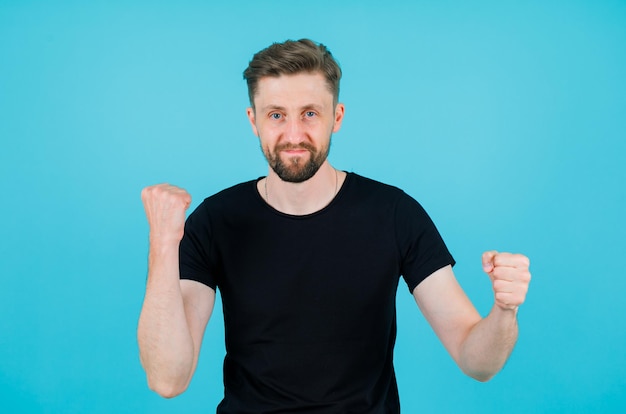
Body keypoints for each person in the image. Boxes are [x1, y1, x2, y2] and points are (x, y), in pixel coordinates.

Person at [138, 39, 531, 413]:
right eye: (276, 115)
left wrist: (504, 310)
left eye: (310, 113)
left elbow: (476, 361)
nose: (294, 135)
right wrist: (162, 242)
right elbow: (168, 379)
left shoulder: (394, 214)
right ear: (253, 120)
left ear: (336, 117)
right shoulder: (214, 220)